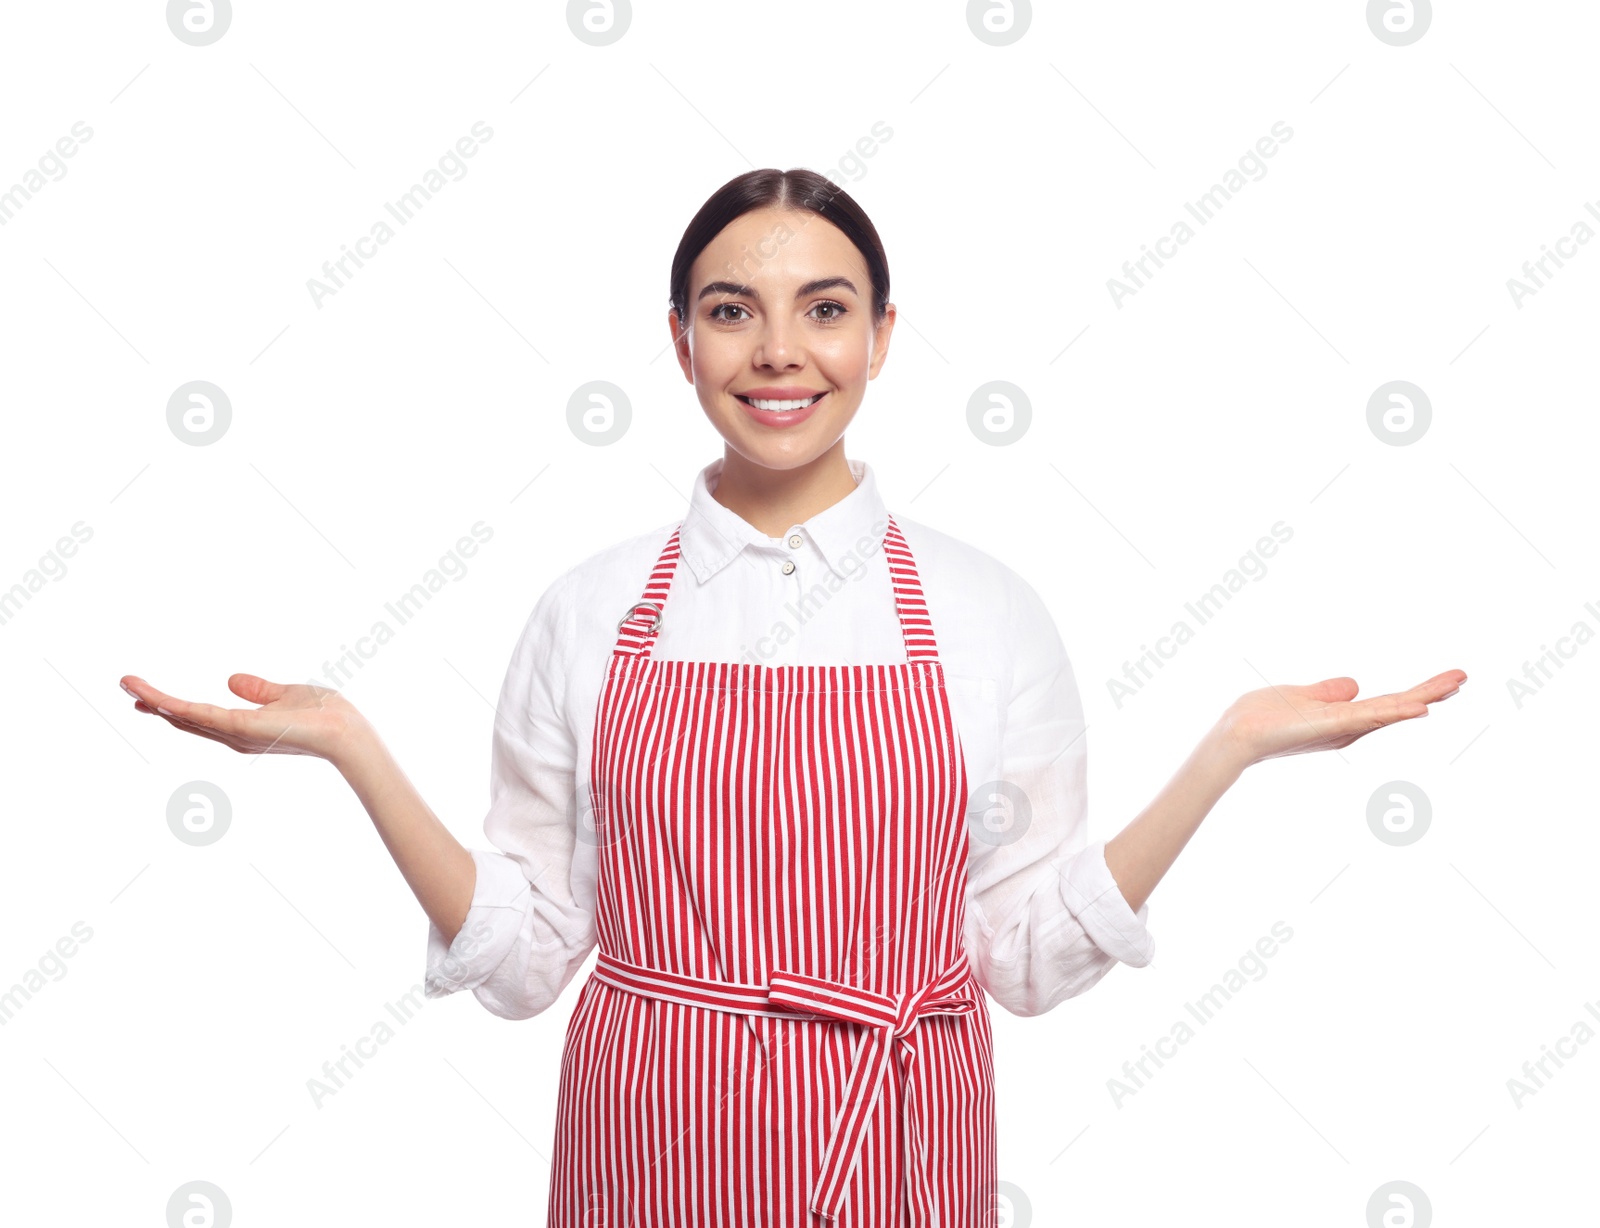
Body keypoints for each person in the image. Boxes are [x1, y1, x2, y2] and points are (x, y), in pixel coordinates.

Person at [118, 167, 1466, 1227]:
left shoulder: (989, 615)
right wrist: (356, 749)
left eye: (825, 309)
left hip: (901, 1138)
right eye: (730, 309)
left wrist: (1225, 752)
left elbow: (1023, 959)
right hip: (650, 1141)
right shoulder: (588, 614)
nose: (779, 352)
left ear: (882, 338)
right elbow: (530, 961)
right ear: (678, 339)